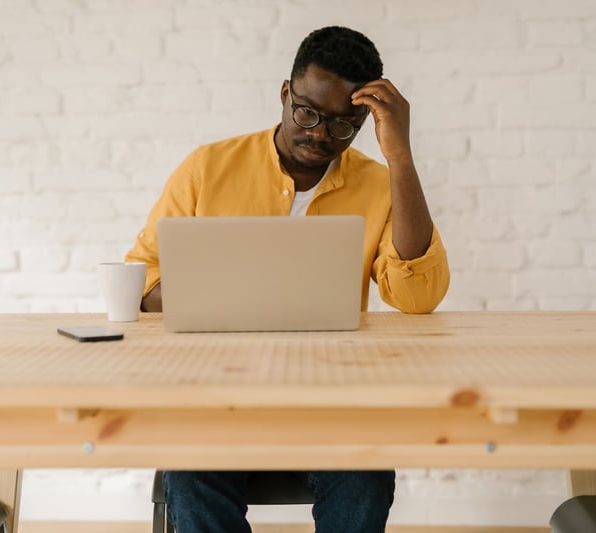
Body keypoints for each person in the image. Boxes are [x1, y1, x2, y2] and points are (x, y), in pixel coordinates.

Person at [126, 25, 450, 533]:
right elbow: (141, 281)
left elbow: (417, 295)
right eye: (308, 112)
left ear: (365, 120)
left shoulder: (380, 185)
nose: (320, 133)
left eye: (343, 124)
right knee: (188, 474)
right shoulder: (207, 168)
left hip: (332, 396)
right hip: (217, 394)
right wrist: (225, 293)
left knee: (367, 477)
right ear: (285, 94)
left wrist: (400, 157)